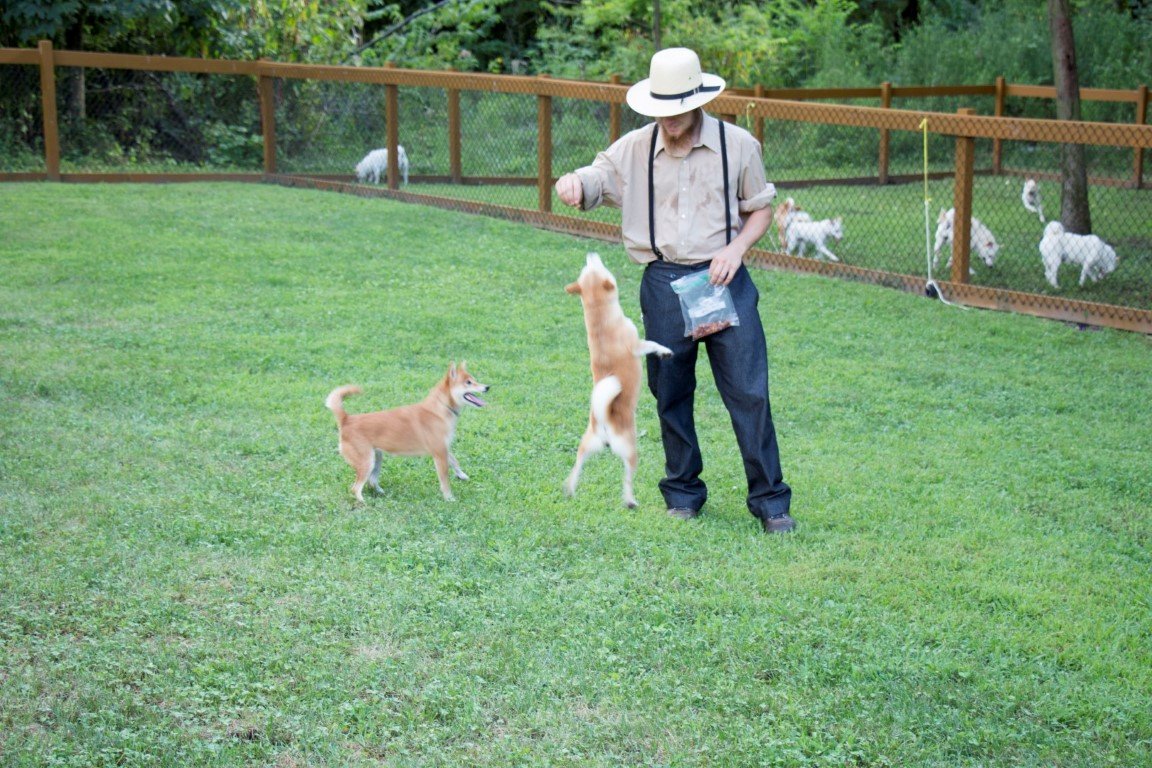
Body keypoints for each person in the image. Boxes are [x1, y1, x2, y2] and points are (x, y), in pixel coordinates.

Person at [554, 47, 795, 534]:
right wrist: (573, 182)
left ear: (697, 101)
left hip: (723, 277)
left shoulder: (738, 145)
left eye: (676, 109)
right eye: (659, 109)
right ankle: (683, 492)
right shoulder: (635, 148)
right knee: (670, 391)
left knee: (749, 391)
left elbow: (761, 208)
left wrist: (737, 249)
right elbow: (597, 175)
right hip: (664, 282)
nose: (667, 119)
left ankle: (771, 502)